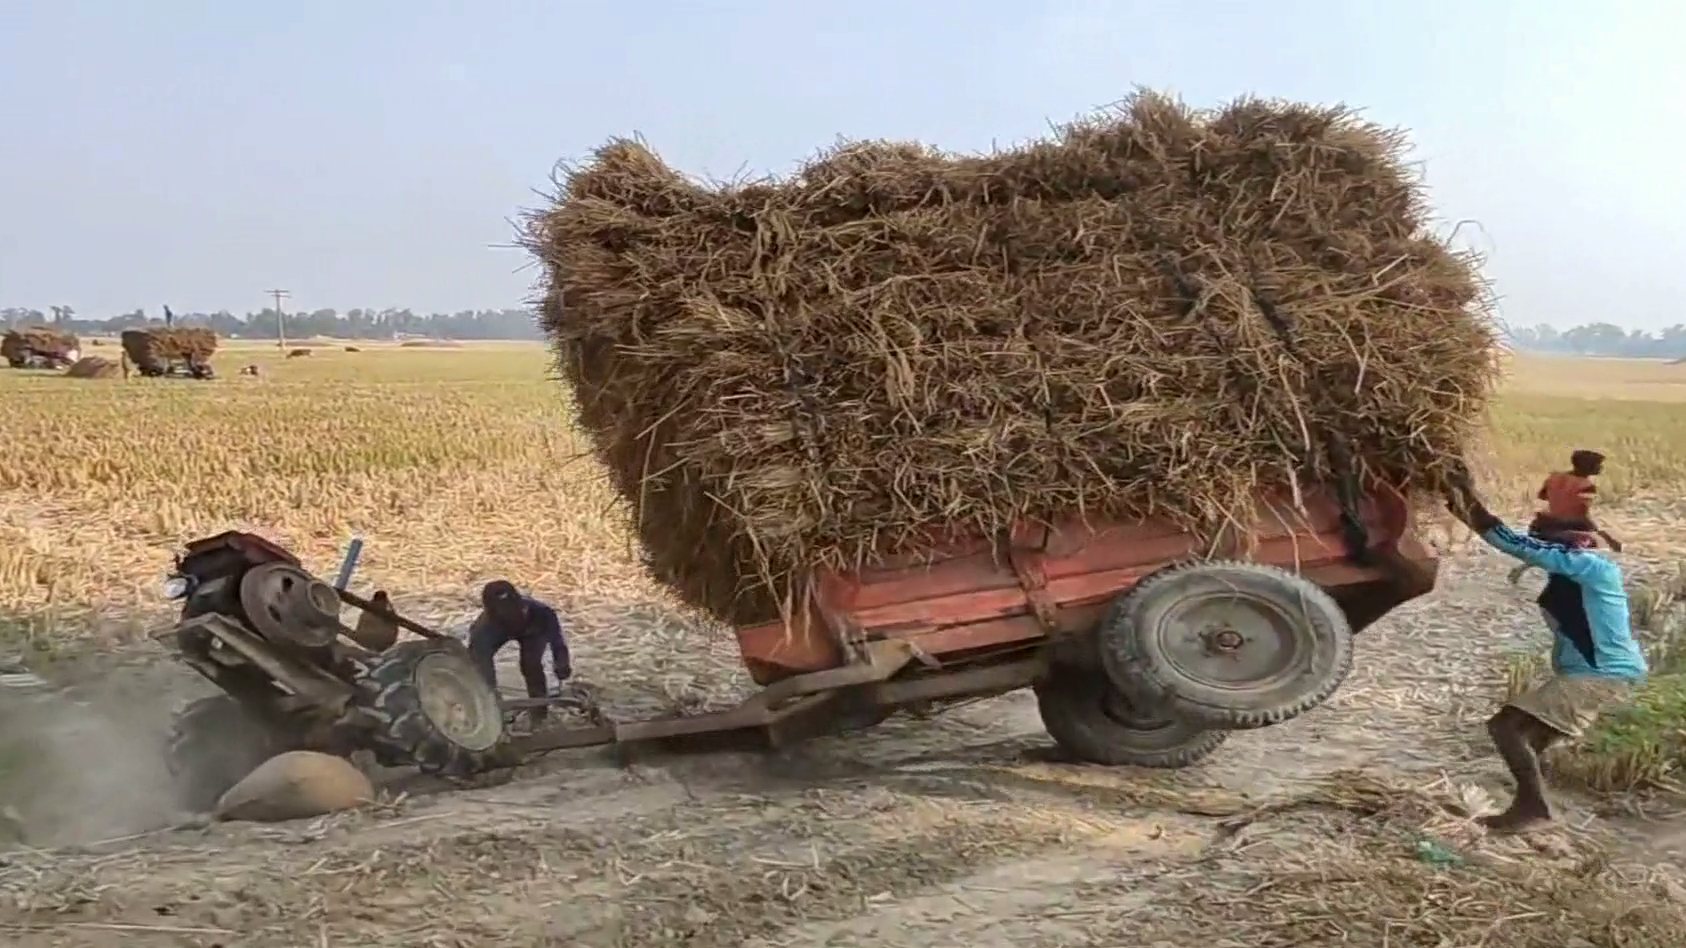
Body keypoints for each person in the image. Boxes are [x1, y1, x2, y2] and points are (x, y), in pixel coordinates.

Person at [1443, 459, 1647, 833]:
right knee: (1529, 740)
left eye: (1549, 538)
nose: (1544, 544)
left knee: (1506, 727)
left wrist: (1463, 502)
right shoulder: (1583, 567)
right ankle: (1534, 809)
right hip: (1604, 673)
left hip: (1597, 674)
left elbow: (1515, 544)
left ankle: (1535, 810)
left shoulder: (1587, 565)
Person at [1508, 450, 1622, 584]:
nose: (1601, 468)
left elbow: (1542, 496)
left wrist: (1560, 497)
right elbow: (1581, 515)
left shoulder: (1554, 477)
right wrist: (1604, 536)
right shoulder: (1586, 486)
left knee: (1554, 551)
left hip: (1542, 525)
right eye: (1598, 464)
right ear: (1588, 466)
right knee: (1590, 548)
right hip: (1567, 526)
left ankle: (1525, 568)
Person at [466, 580, 572, 725]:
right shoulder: (482, 631)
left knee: (531, 665)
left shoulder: (542, 614)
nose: (510, 620)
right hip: (496, 632)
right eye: (504, 618)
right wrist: (490, 695)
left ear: (522, 607)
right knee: (484, 675)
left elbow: (557, 641)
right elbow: (478, 662)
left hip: (532, 629)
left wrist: (561, 662)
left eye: (513, 614)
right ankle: (495, 715)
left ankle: (540, 714)